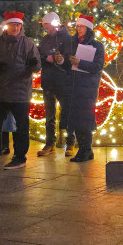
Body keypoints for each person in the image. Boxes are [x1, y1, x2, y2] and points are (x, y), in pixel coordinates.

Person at [0, 11, 41, 170]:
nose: (15, 28)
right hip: (0, 92)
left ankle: (20, 156)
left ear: (21, 26)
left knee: (21, 127)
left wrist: (33, 65)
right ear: (6, 26)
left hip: (20, 93)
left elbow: (37, 66)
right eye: (12, 25)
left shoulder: (28, 43)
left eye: (18, 25)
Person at [59, 15, 105, 163]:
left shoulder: (97, 45)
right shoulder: (71, 43)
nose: (79, 29)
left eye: (82, 27)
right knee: (74, 119)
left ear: (89, 28)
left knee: (84, 120)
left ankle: (85, 150)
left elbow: (98, 67)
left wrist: (80, 63)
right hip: (72, 86)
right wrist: (61, 62)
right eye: (78, 26)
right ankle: (86, 150)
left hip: (87, 88)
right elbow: (67, 64)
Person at [36, 12, 73, 157]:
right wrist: (46, 59)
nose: (45, 27)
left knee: (67, 112)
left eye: (47, 24)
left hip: (63, 81)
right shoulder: (45, 40)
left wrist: (61, 60)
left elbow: (71, 57)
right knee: (49, 114)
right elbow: (39, 56)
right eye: (44, 25)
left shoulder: (67, 38)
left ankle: (70, 143)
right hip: (48, 81)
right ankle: (50, 143)